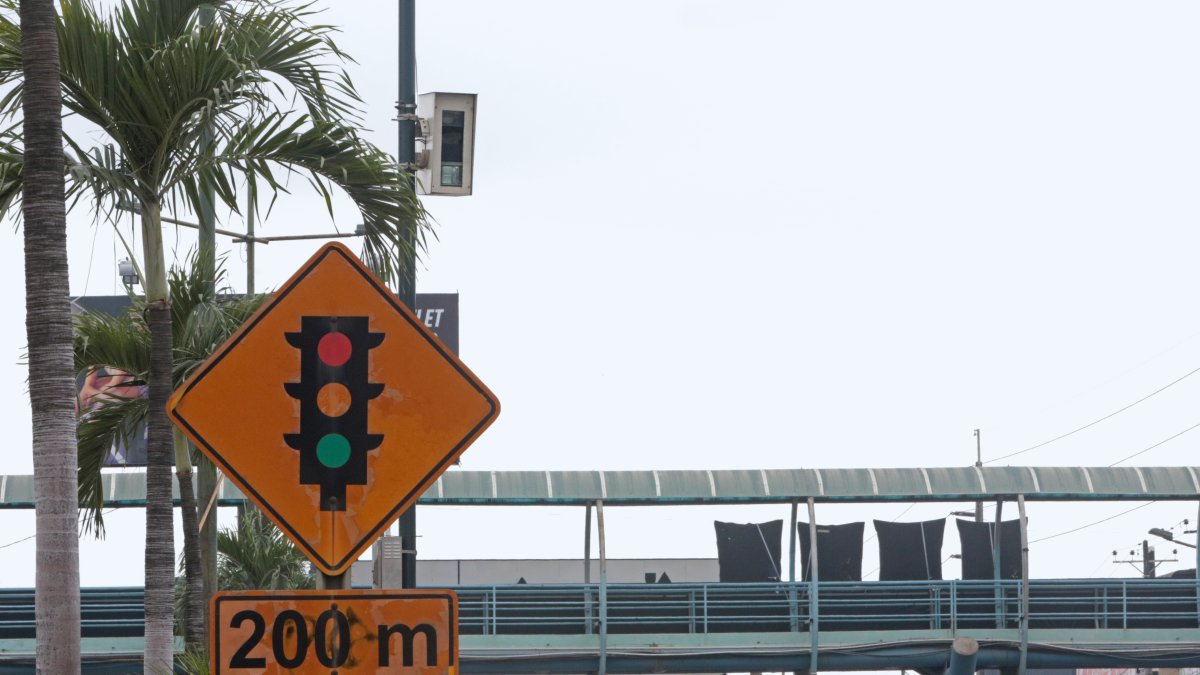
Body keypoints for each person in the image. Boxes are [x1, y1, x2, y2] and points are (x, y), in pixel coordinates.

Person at [77, 366, 149, 465]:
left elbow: (115, 384)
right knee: (89, 393)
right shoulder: (96, 357)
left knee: (102, 401)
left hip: (141, 384)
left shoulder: (118, 355)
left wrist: (96, 397)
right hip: (121, 385)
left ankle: (98, 442)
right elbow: (87, 386)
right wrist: (91, 395)